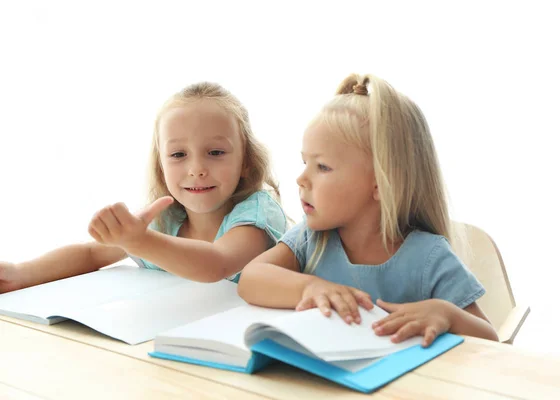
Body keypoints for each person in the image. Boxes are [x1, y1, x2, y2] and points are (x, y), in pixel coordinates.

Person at [238, 74, 498, 347]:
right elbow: (251, 279)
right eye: (305, 162)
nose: (301, 179)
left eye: (322, 167)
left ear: (380, 184)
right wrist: (310, 287)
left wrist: (449, 315)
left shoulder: (428, 257)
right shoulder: (311, 240)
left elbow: (492, 342)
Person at [0, 82, 287, 293]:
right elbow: (91, 254)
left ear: (246, 161)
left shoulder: (257, 213)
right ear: (161, 165)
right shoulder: (166, 219)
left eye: (215, 152)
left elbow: (217, 265)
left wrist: (138, 242)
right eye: (178, 155)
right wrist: (20, 273)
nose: (196, 168)